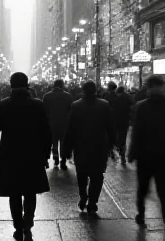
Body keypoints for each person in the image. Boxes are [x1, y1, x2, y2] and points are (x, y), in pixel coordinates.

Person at [0, 72, 51, 241]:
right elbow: (46, 132)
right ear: (27, 84)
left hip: (10, 155)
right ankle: (28, 226)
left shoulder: (4, 105)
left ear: (10, 85)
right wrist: (46, 155)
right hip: (32, 154)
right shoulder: (37, 105)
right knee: (30, 192)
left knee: (14, 193)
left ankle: (18, 227)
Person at [128, 75, 165, 241]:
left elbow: (137, 132)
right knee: (164, 190)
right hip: (163, 155)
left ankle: (141, 213)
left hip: (146, 155)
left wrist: (132, 152)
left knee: (143, 187)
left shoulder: (141, 106)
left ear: (148, 88)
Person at [63, 81, 116, 217]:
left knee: (82, 173)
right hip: (99, 146)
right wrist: (112, 145)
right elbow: (111, 127)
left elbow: (70, 129)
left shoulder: (76, 106)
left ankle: (83, 195)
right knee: (97, 175)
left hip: (81, 145)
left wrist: (67, 148)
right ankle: (92, 202)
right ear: (96, 90)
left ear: (83, 90)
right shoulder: (104, 105)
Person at [42, 79, 73, 169]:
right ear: (62, 85)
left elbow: (44, 111)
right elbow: (70, 110)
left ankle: (55, 157)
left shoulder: (46, 96)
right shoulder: (68, 96)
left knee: (53, 142)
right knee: (63, 142)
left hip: (51, 123)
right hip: (64, 123)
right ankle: (63, 160)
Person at [110, 85, 133, 164]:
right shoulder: (128, 97)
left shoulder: (115, 97)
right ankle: (122, 156)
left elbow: (112, 109)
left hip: (115, 120)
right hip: (124, 121)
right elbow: (131, 107)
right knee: (123, 137)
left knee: (114, 136)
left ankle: (114, 151)